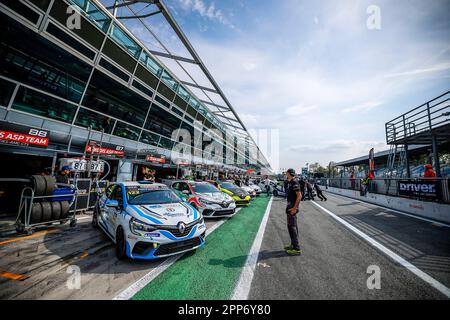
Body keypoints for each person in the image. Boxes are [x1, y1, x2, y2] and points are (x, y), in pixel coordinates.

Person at [284, 168, 302, 255]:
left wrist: (295, 208)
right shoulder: (290, 182)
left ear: (289, 173)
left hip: (292, 206)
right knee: (291, 226)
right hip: (290, 205)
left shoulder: (295, 182)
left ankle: (296, 248)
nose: (286, 174)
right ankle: (293, 244)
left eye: (287, 173)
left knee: (292, 227)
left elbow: (299, 196)